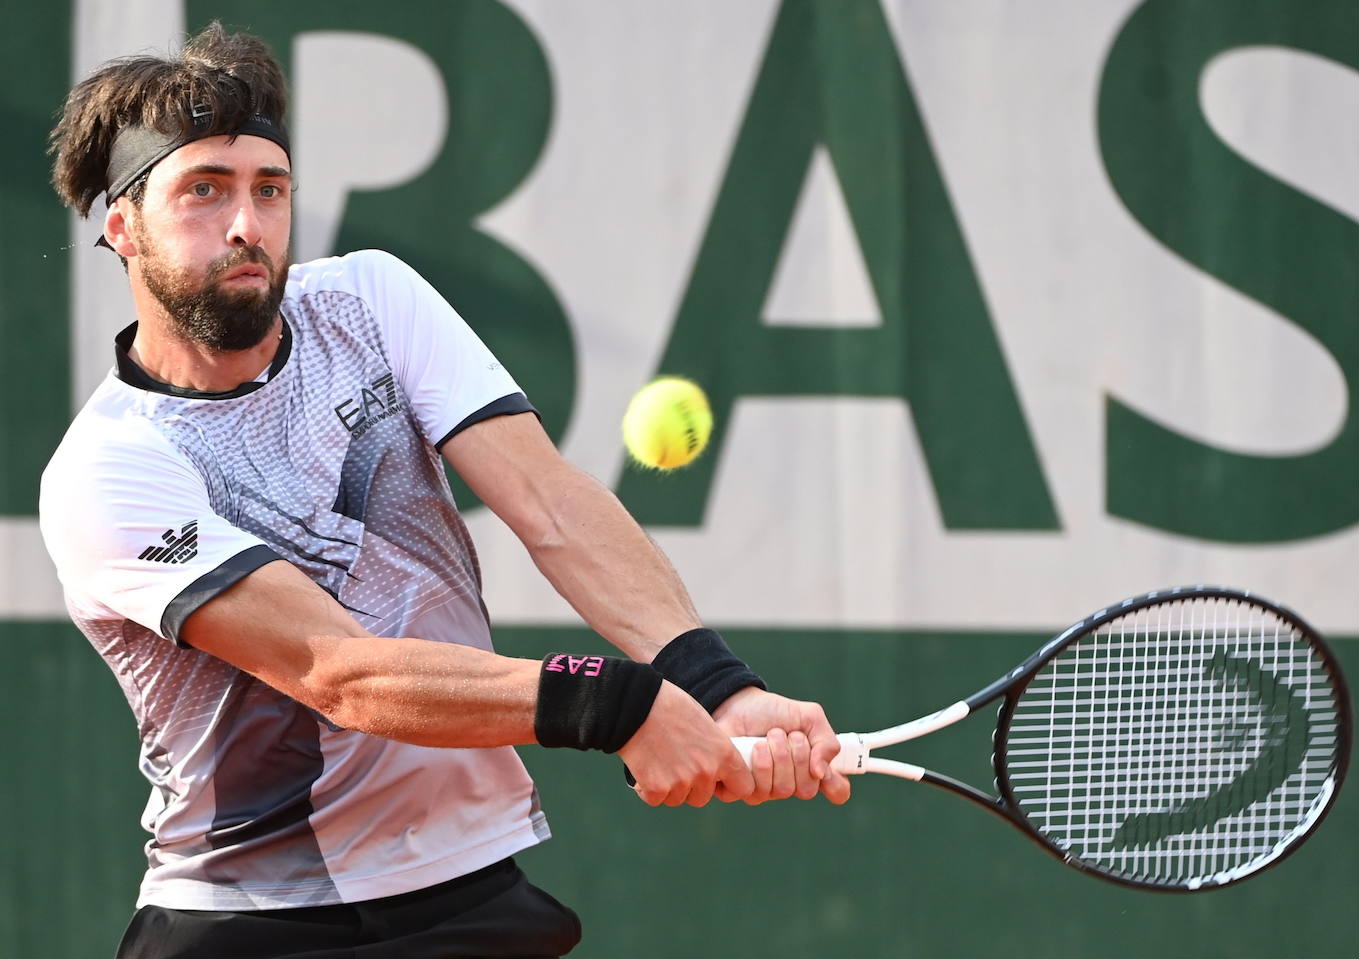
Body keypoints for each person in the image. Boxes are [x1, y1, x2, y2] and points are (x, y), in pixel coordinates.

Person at [39, 21, 850, 959]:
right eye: (204, 192)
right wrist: (614, 702)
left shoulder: (371, 301)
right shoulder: (109, 469)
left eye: (270, 189)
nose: (246, 225)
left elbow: (548, 502)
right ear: (124, 227)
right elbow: (342, 673)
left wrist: (713, 685)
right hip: (252, 920)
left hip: (467, 888)